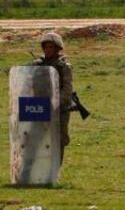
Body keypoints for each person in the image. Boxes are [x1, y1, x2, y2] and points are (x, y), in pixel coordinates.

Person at [30, 32, 73, 163]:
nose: (48, 50)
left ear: (57, 49)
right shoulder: (38, 65)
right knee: (36, 138)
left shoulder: (64, 66)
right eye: (46, 47)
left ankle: (54, 172)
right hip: (40, 107)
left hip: (59, 109)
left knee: (58, 140)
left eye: (51, 47)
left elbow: (67, 89)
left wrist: (55, 104)